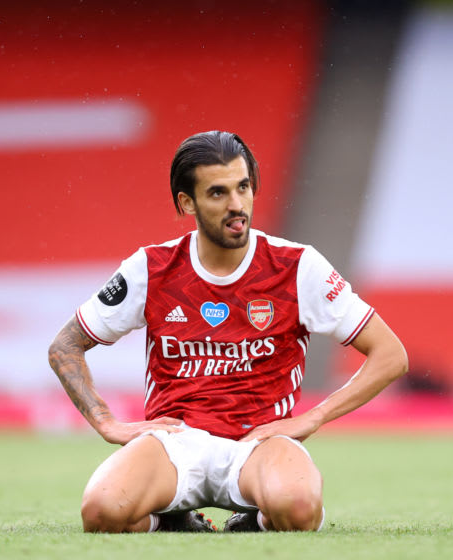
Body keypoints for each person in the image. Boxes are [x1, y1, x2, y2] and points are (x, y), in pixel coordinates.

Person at [48, 130, 408, 533]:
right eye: (218, 193)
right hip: (175, 444)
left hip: (260, 443)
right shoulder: (151, 268)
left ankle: (254, 521)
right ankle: (173, 523)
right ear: (187, 202)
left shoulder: (298, 266)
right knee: (101, 513)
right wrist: (105, 422)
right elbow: (65, 347)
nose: (237, 205)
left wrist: (314, 417)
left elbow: (391, 355)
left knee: (299, 509)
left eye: (243, 187)